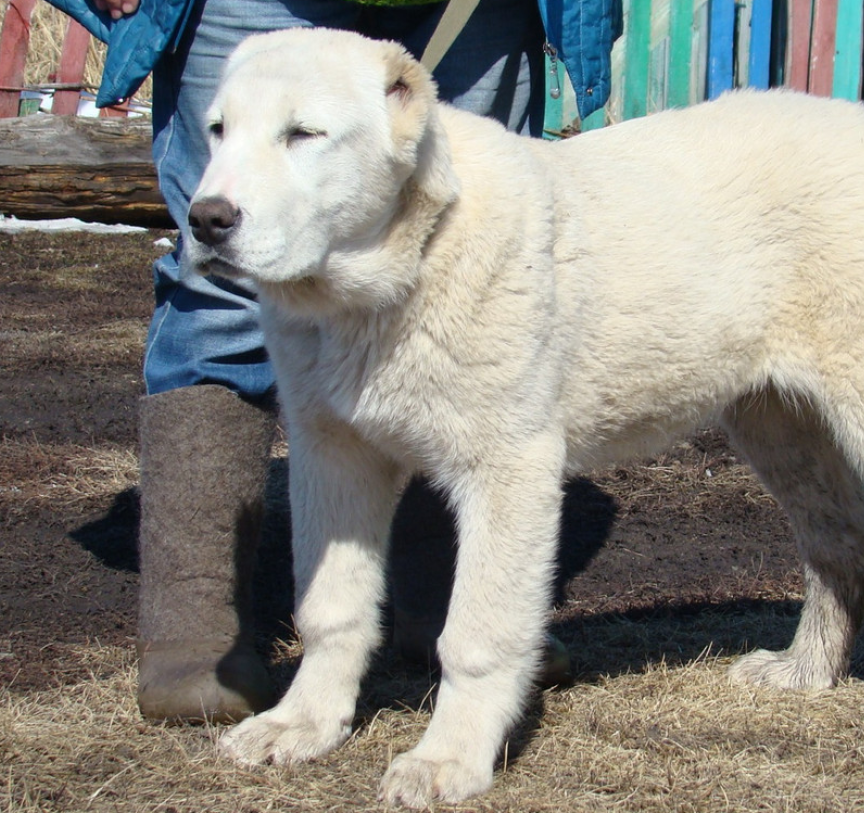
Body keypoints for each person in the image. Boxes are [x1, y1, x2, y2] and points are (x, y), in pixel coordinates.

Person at [47, 0, 618, 722]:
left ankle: (447, 614)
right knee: (223, 286)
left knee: (467, 271)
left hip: (473, 12)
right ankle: (195, 635)